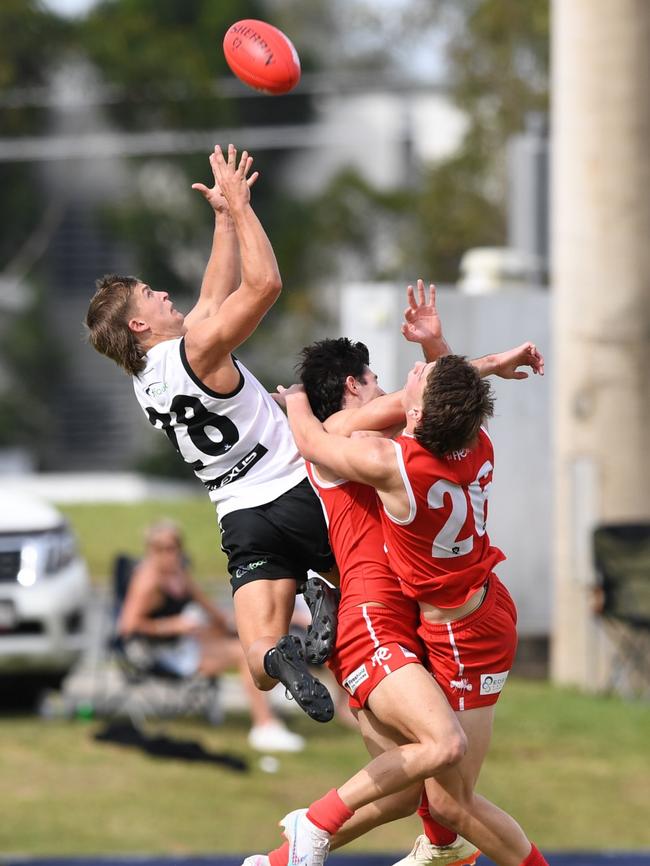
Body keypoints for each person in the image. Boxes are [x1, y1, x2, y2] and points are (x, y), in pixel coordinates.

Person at [242, 283, 547, 866]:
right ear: (355, 386)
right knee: (440, 775)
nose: (394, 385)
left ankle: (291, 856)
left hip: (425, 626)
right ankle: (318, 829)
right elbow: (432, 402)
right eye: (379, 378)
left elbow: (428, 402)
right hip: (376, 624)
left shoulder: (394, 455)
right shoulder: (441, 444)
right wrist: (456, 355)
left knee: (420, 790)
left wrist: (296, 399)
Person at [85, 143, 339, 724]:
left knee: (256, 660)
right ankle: (327, 589)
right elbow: (264, 285)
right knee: (376, 585)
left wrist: (222, 218)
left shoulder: (146, 379)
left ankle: (285, 652)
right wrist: (246, 209)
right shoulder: (196, 349)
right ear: (140, 323)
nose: (164, 293)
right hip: (299, 493)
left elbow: (209, 298)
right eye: (151, 294)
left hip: (241, 519)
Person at [118, 519, 304, 753]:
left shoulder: (179, 575)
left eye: (174, 547)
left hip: (184, 642)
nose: (169, 554)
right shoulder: (148, 581)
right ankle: (264, 724)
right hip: (158, 651)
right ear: (150, 550)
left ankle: (272, 691)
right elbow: (127, 626)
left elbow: (212, 611)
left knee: (246, 639)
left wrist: (242, 623)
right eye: (161, 548)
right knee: (243, 654)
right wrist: (171, 625)